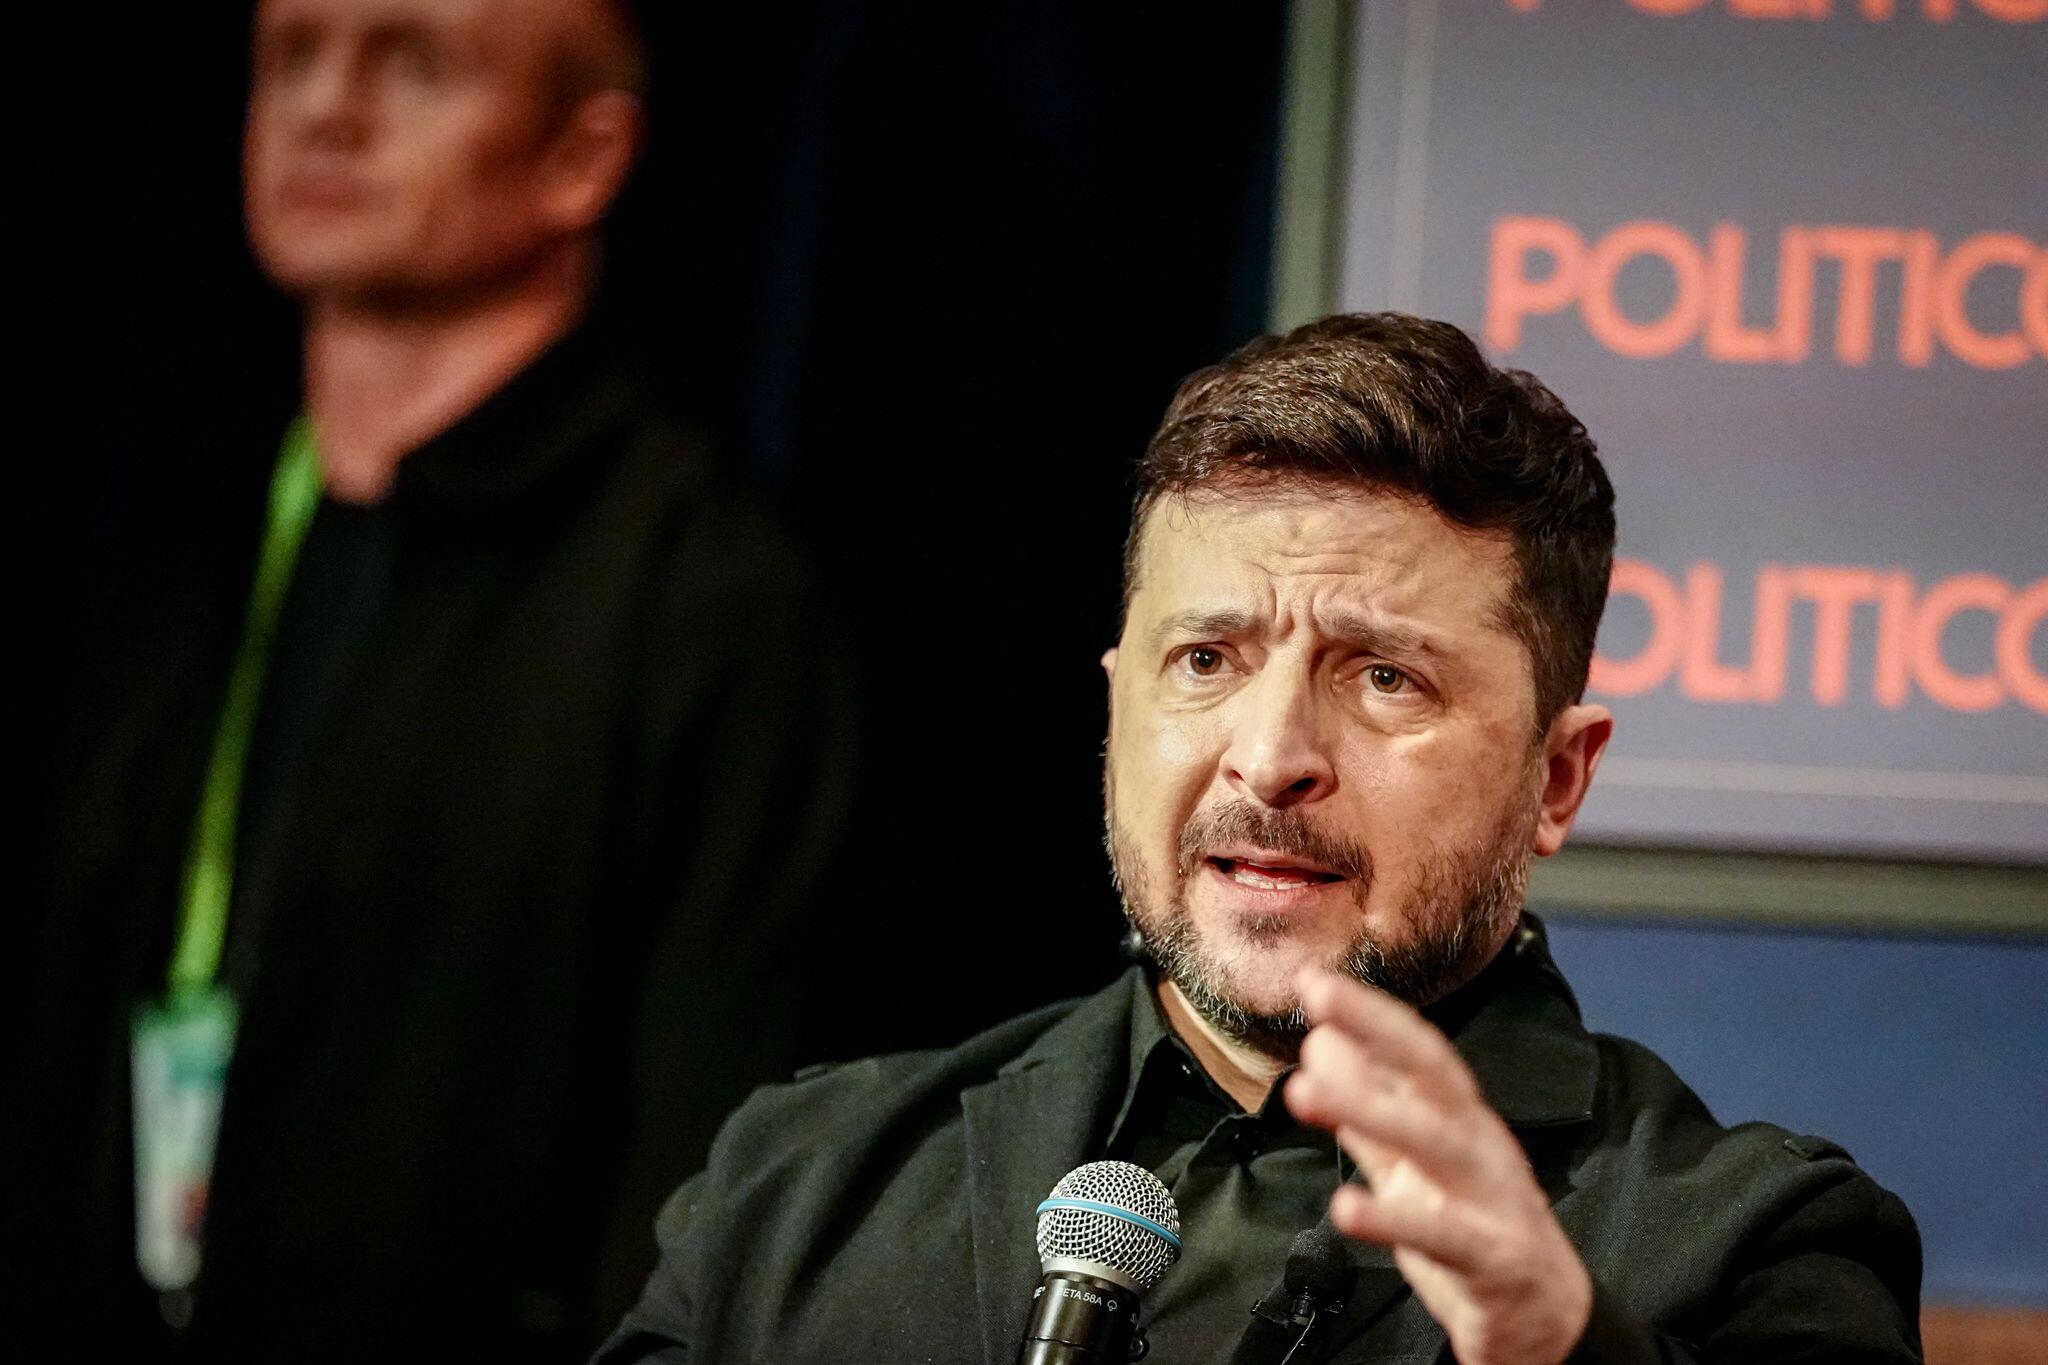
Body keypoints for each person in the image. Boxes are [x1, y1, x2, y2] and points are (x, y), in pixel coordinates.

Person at [595, 314, 1921, 1364]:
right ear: (1116, 707)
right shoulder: (803, 1187)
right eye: (1207, 659)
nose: (1272, 753)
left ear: (1556, 780)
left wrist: (1554, 1347)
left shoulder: (1755, 1248)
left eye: (1385, 677)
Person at [21, 0, 850, 1357]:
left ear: (582, 157)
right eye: (292, 54)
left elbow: (710, 1152)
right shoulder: (190, 545)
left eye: (413, 61)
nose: (326, 108)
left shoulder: (705, 599)